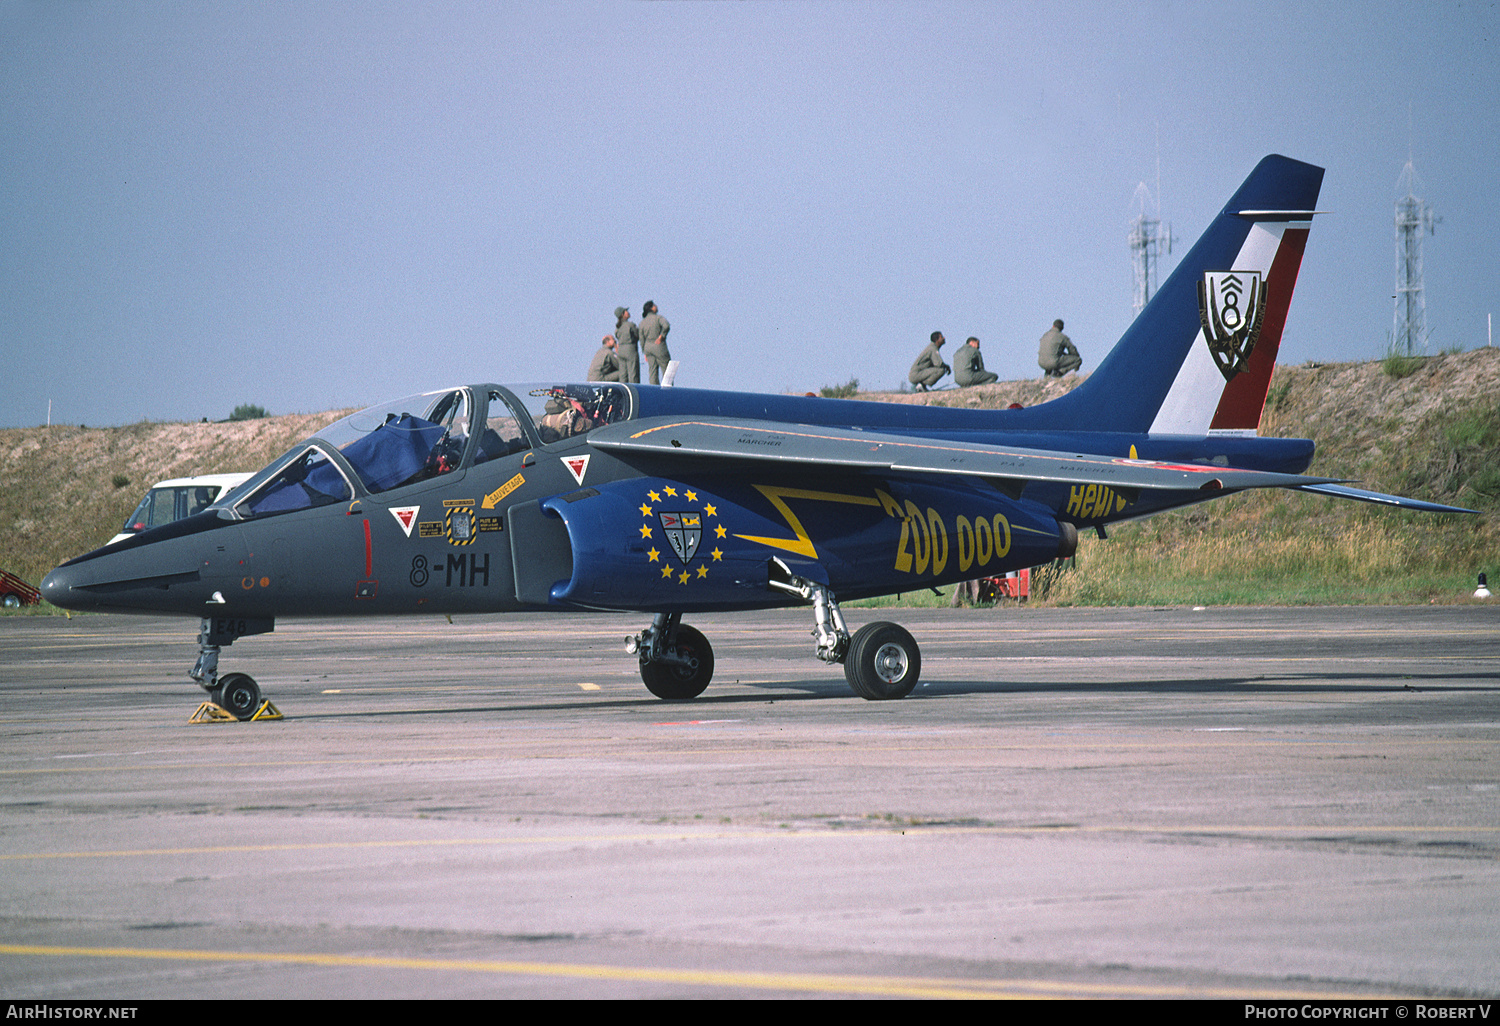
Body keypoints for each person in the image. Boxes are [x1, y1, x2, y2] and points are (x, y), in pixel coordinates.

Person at [639, 300, 671, 385]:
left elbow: (641, 338)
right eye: (654, 305)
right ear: (651, 308)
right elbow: (666, 325)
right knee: (666, 368)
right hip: (658, 345)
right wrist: (662, 336)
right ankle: (668, 389)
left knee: (652, 370)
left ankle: (654, 389)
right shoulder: (658, 318)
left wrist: (644, 351)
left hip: (648, 347)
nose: (656, 306)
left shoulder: (642, 322)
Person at [614, 307, 640, 383]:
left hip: (621, 350)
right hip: (630, 349)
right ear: (622, 314)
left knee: (623, 374)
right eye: (626, 311)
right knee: (633, 373)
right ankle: (634, 391)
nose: (628, 312)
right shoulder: (630, 325)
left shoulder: (618, 327)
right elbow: (637, 335)